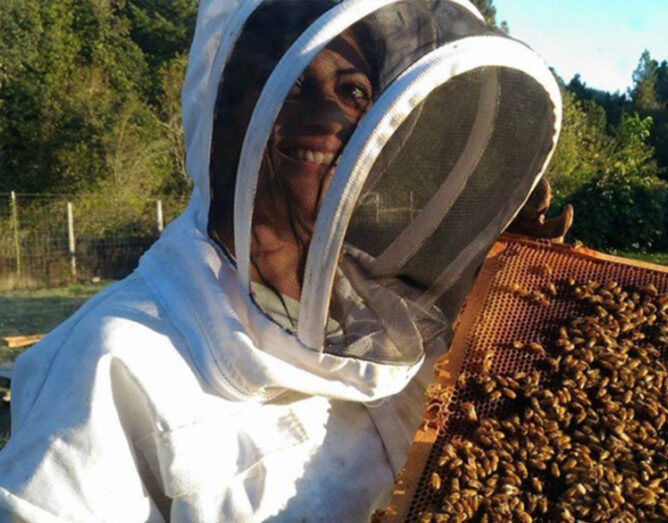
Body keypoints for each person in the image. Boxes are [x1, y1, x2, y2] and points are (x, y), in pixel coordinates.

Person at [0, 1, 564, 521]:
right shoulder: (109, 363)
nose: (325, 117)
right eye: (293, 88)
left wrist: (514, 280)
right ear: (228, 120)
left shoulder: (418, 312)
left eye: (354, 93)